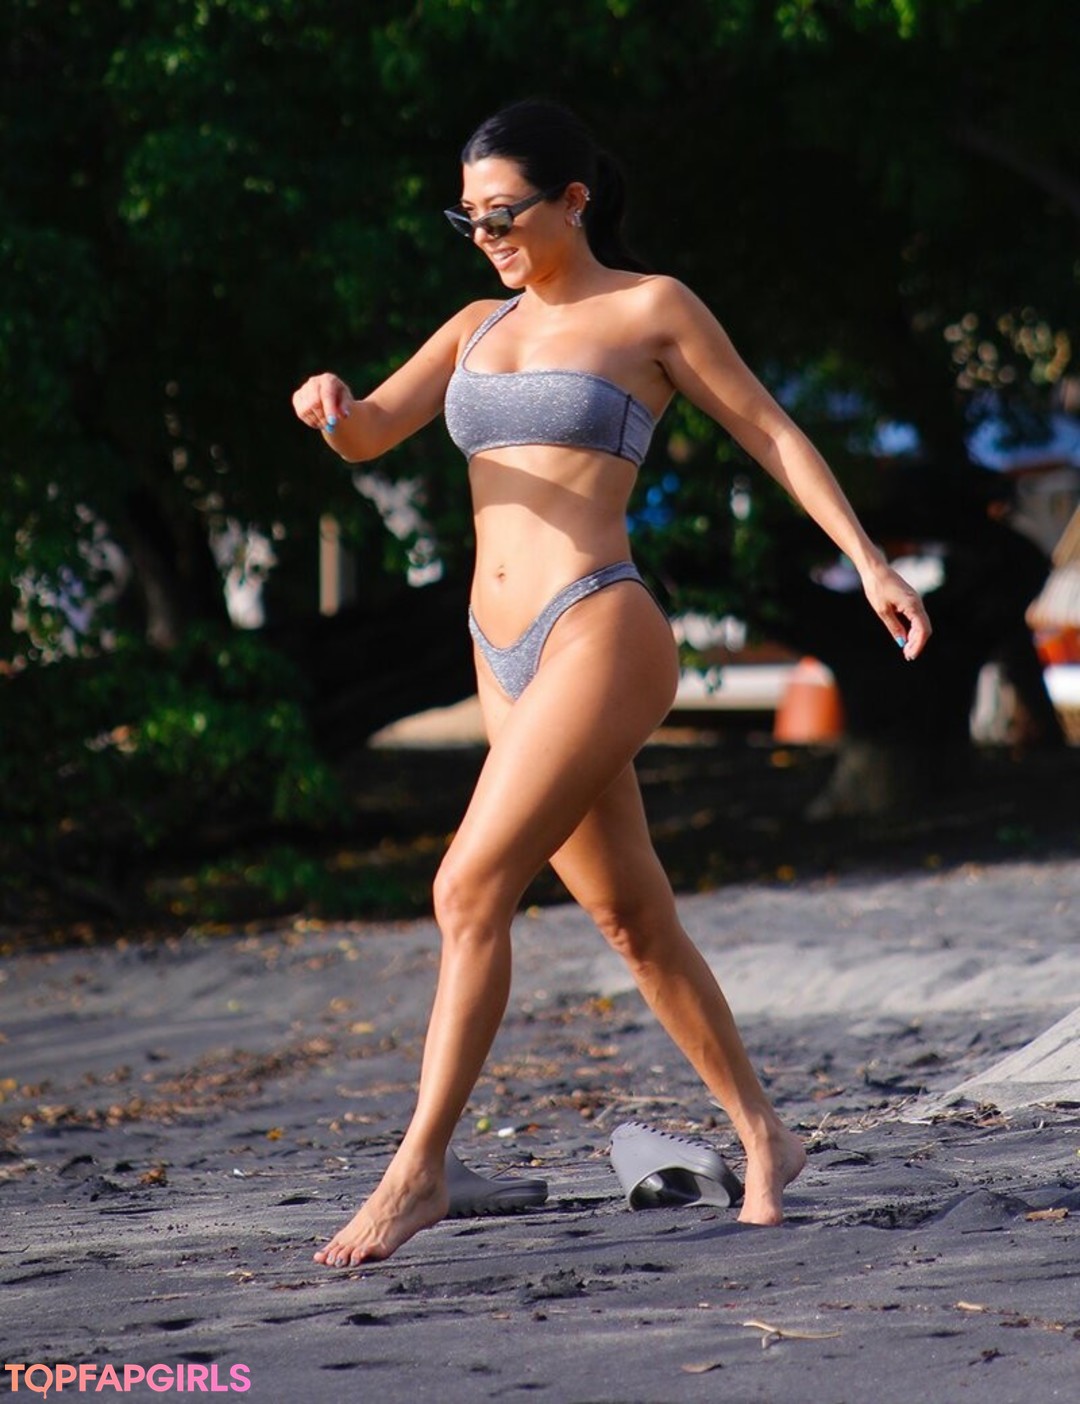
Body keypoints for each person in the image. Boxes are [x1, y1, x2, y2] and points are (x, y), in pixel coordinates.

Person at [291, 98, 931, 1267]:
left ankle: (418, 1170)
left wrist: (869, 561)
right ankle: (765, 1135)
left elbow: (771, 432)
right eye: (468, 217)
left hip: (601, 626)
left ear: (573, 199)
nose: (485, 235)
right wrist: (331, 406)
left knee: (466, 886)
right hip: (497, 654)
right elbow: (373, 431)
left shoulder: (652, 309)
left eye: (504, 212)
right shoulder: (474, 327)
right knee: (632, 919)